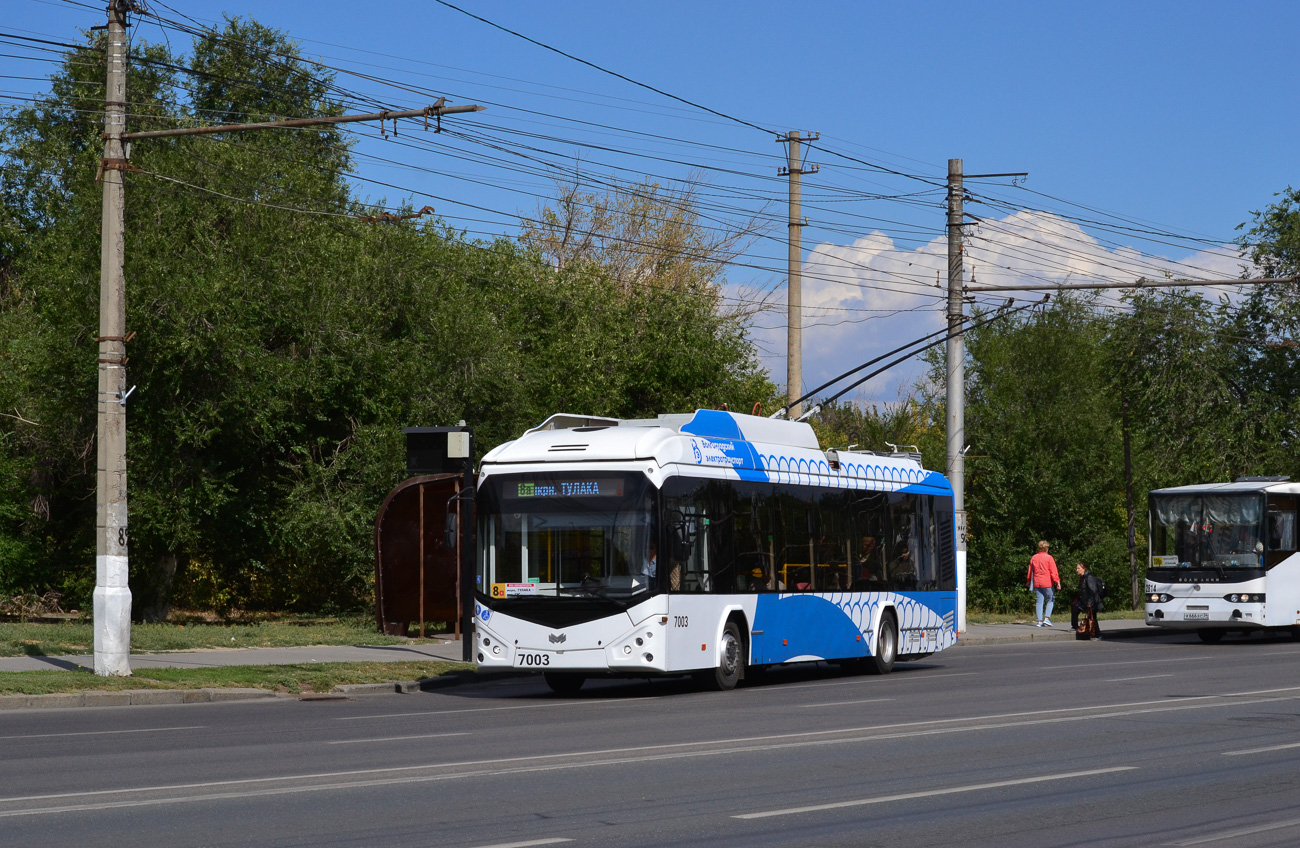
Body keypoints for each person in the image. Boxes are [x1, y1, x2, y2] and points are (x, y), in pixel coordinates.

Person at [1027, 540, 1061, 627]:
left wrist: (1028, 581)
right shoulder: (1049, 558)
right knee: (1050, 599)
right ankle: (1047, 618)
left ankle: (1039, 621)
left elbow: (1030, 571)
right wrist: (1057, 581)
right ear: (1046, 548)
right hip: (1047, 582)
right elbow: (1053, 571)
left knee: (1039, 601)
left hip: (1037, 582)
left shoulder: (1034, 557)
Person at [1070, 562, 1104, 638]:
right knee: (1075, 607)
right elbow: (1083, 591)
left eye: (1078, 568)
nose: (1077, 570)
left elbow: (1093, 591)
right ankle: (1075, 626)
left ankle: (1098, 635)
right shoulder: (1082, 577)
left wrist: (1090, 603)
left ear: (1084, 569)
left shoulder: (1089, 577)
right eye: (1076, 568)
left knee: (1092, 618)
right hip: (1084, 600)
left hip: (1092, 601)